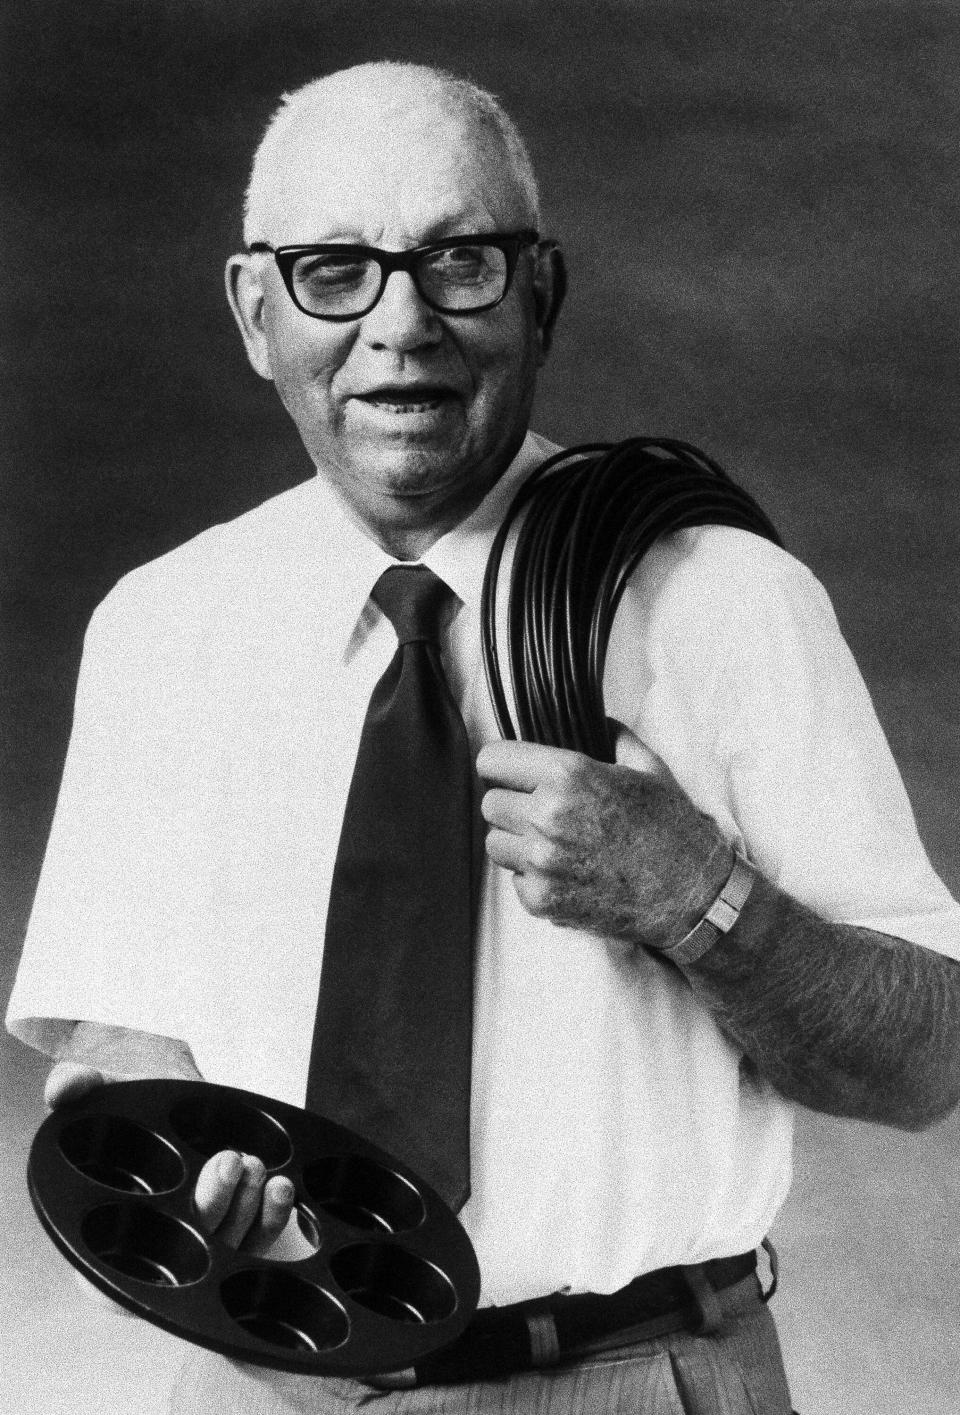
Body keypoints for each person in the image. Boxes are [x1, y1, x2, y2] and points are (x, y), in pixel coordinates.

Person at [8, 60, 960, 1415]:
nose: (401, 326)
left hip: (627, 1379)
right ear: (254, 311)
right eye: (335, 270)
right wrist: (177, 1133)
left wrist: (702, 898)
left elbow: (929, 1061)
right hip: (265, 1386)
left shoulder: (722, 605)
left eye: (458, 262)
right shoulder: (165, 628)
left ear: (540, 293)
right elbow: (127, 1021)